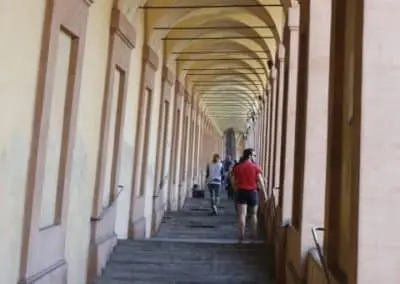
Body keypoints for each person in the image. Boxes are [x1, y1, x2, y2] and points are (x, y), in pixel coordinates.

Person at [231, 149, 267, 242]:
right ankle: (253, 235)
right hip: (253, 193)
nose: (255, 157)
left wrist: (235, 189)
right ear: (250, 156)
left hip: (241, 192)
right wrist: (265, 194)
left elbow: (232, 180)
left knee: (242, 215)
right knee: (253, 215)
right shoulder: (255, 167)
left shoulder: (238, 167)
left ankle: (241, 236)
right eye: (254, 155)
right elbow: (261, 181)